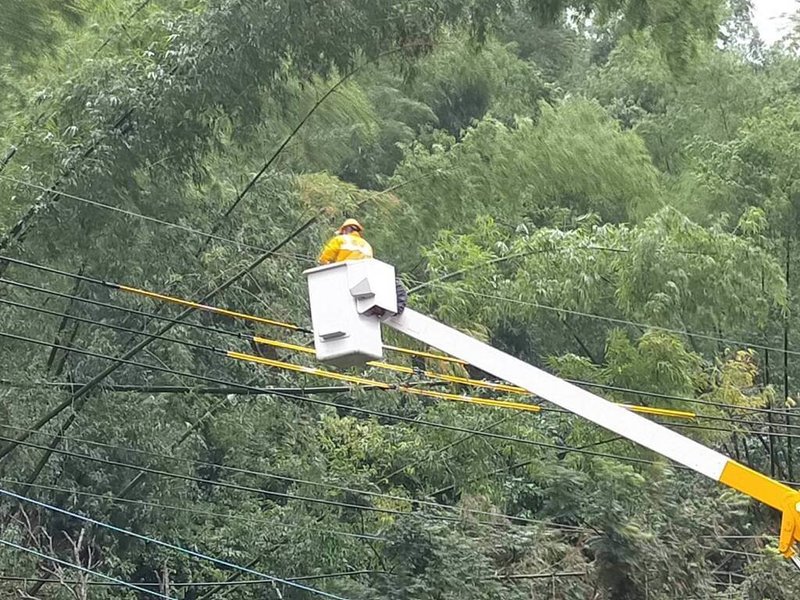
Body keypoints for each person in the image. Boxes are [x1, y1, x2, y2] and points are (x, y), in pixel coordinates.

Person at [318, 218, 406, 314]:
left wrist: (328, 271)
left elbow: (323, 259)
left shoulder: (340, 239)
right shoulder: (366, 245)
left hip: (345, 276)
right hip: (364, 282)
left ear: (344, 230)